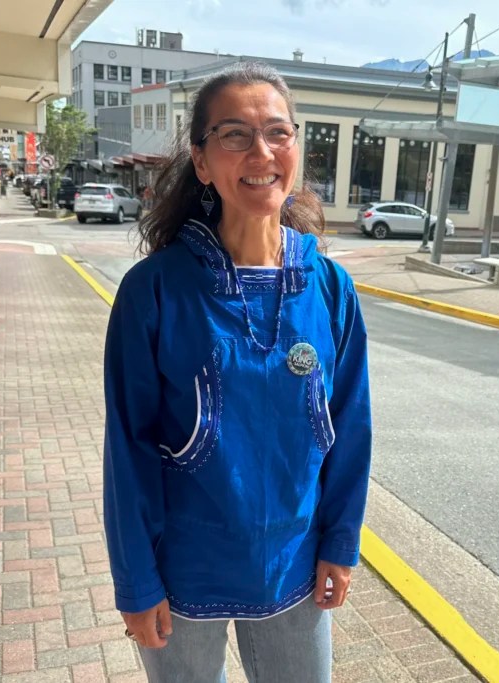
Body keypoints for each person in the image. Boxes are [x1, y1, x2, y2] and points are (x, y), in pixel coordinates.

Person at [103, 62, 372, 683]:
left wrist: (339, 541)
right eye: (234, 134)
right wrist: (136, 582)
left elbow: (350, 426)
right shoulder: (156, 290)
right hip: (183, 571)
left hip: (296, 566)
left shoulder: (330, 288)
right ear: (201, 161)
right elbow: (128, 448)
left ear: (296, 148)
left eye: (278, 132)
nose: (261, 151)